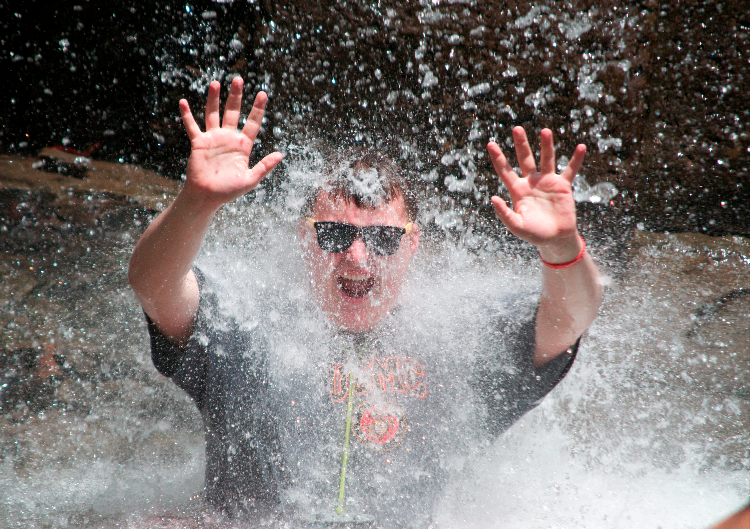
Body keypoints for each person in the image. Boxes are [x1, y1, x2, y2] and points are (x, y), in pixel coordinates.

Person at [128, 76, 603, 527]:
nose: (356, 257)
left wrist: (562, 248)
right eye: (334, 234)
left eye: (383, 239)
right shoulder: (246, 324)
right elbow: (155, 283)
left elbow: (569, 317)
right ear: (305, 239)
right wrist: (195, 202)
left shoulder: (457, 338)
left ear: (412, 244)